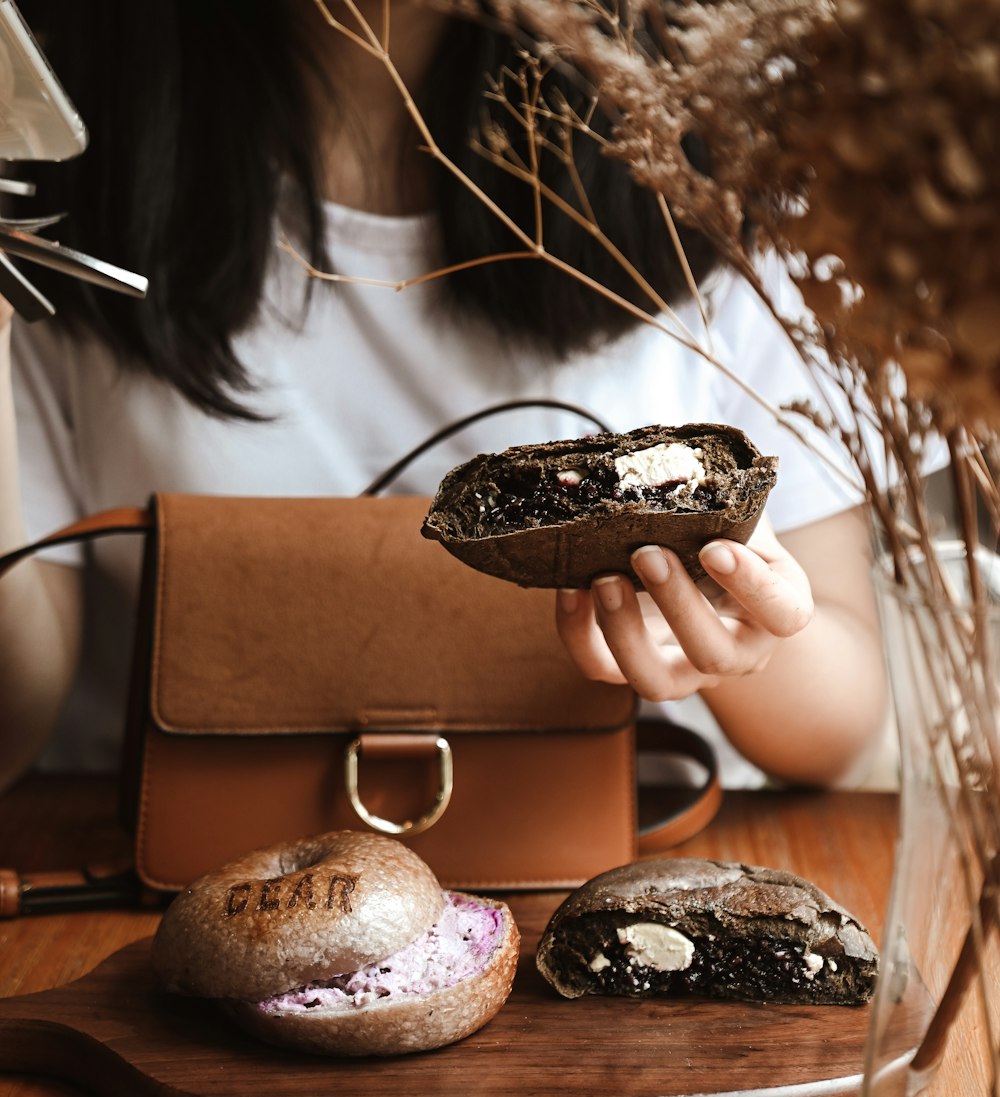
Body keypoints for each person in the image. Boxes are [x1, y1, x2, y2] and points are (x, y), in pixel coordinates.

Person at [0, 0, 887, 794]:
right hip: (154, 883)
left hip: (621, 875)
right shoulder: (45, 162)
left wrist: (741, 624)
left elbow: (835, 728)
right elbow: (12, 728)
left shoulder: (732, 145)